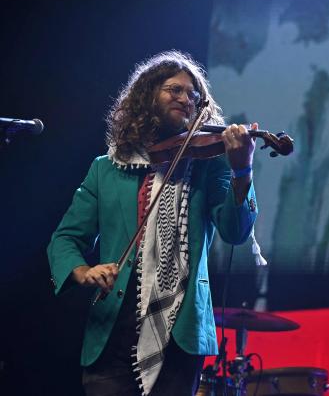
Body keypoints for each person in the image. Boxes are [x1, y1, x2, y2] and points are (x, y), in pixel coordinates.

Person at [47, 50, 258, 396]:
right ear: (147, 97)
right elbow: (65, 239)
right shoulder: (106, 168)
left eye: (193, 95)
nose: (186, 99)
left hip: (180, 337)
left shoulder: (210, 164)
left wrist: (242, 170)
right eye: (174, 90)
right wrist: (84, 271)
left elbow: (236, 232)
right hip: (112, 332)